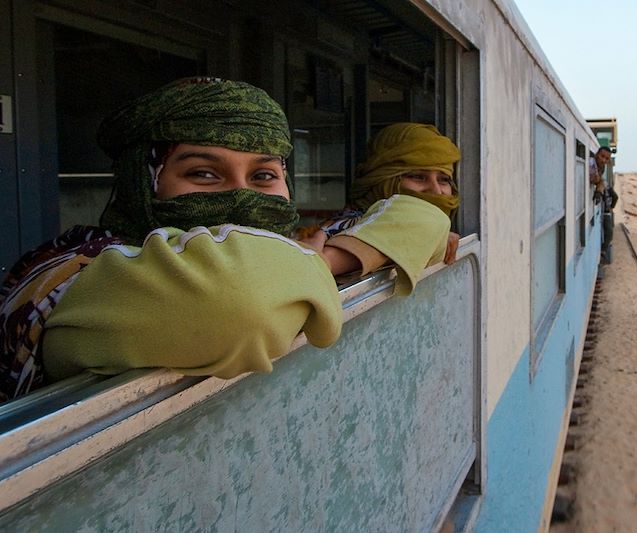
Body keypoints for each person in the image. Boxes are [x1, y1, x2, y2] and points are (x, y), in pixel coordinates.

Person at [0, 77, 450, 402]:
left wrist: (328, 258)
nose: (241, 193)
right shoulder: (88, 272)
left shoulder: (281, 249)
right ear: (144, 181)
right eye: (203, 173)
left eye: (264, 175)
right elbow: (240, 299)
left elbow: (422, 218)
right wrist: (312, 261)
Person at [301, 123, 462, 266]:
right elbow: (316, 267)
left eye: (443, 180)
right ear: (382, 178)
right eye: (417, 177)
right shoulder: (345, 228)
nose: (435, 190)